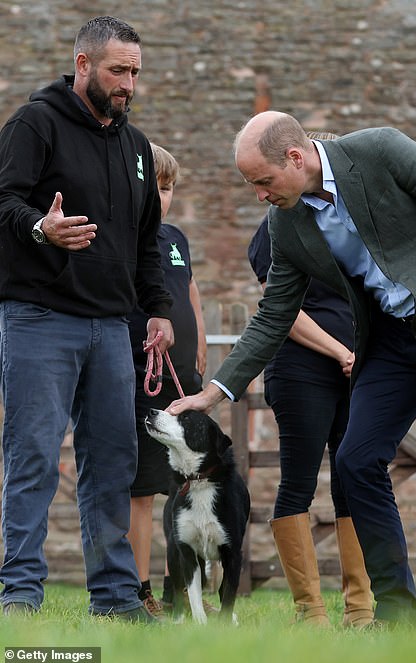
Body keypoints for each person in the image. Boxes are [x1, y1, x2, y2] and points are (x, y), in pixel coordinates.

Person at [169, 111, 416, 632]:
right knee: (356, 458)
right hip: (392, 338)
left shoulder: (381, 150)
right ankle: (394, 612)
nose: (259, 195)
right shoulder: (287, 222)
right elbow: (275, 313)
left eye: (263, 181)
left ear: (296, 158)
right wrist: (213, 394)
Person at [0, 16, 174, 622]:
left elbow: (146, 239)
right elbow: (2, 202)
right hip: (39, 319)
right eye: (117, 70)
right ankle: (19, 595)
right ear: (82, 65)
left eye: (135, 72)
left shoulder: (136, 148)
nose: (128, 83)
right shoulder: (35, 123)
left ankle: (116, 600)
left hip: (112, 327)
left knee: (113, 465)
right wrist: (38, 227)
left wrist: (158, 310)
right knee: (34, 458)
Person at [247, 130, 372, 628]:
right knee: (299, 480)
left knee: (354, 478)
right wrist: (342, 351)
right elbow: (282, 311)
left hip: (357, 368)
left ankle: (360, 609)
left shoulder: (353, 220)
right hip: (302, 368)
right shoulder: (277, 226)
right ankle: (310, 611)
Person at [127, 143, 207, 616]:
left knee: (188, 488)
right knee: (141, 490)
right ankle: (141, 591)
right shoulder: (120, 240)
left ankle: (182, 591)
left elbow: (190, 287)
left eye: (168, 187)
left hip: (184, 383)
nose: (161, 197)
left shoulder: (176, 239)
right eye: (152, 187)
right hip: (141, 381)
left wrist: (197, 343)